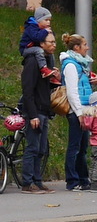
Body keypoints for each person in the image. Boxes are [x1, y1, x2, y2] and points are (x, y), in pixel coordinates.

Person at [17, 32, 56, 193]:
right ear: (41, 44)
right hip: (35, 110)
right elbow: (28, 90)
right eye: (51, 42)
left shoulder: (45, 62)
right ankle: (27, 182)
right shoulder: (33, 62)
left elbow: (44, 87)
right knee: (32, 147)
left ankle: (37, 179)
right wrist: (32, 114)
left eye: (54, 42)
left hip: (44, 110)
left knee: (41, 149)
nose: (54, 45)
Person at [62, 33, 97, 191]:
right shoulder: (71, 65)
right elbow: (72, 92)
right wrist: (78, 113)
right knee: (75, 147)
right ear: (76, 48)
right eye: (85, 45)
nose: (87, 48)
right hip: (77, 110)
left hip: (84, 109)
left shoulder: (80, 65)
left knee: (82, 147)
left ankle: (83, 179)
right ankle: (72, 180)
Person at [18, 6, 56, 76]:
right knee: (39, 51)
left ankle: (52, 71)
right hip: (26, 49)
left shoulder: (43, 28)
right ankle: (43, 69)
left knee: (50, 54)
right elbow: (36, 38)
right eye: (46, 20)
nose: (48, 22)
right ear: (39, 20)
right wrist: (45, 31)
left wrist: (50, 33)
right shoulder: (31, 28)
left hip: (34, 47)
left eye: (49, 20)